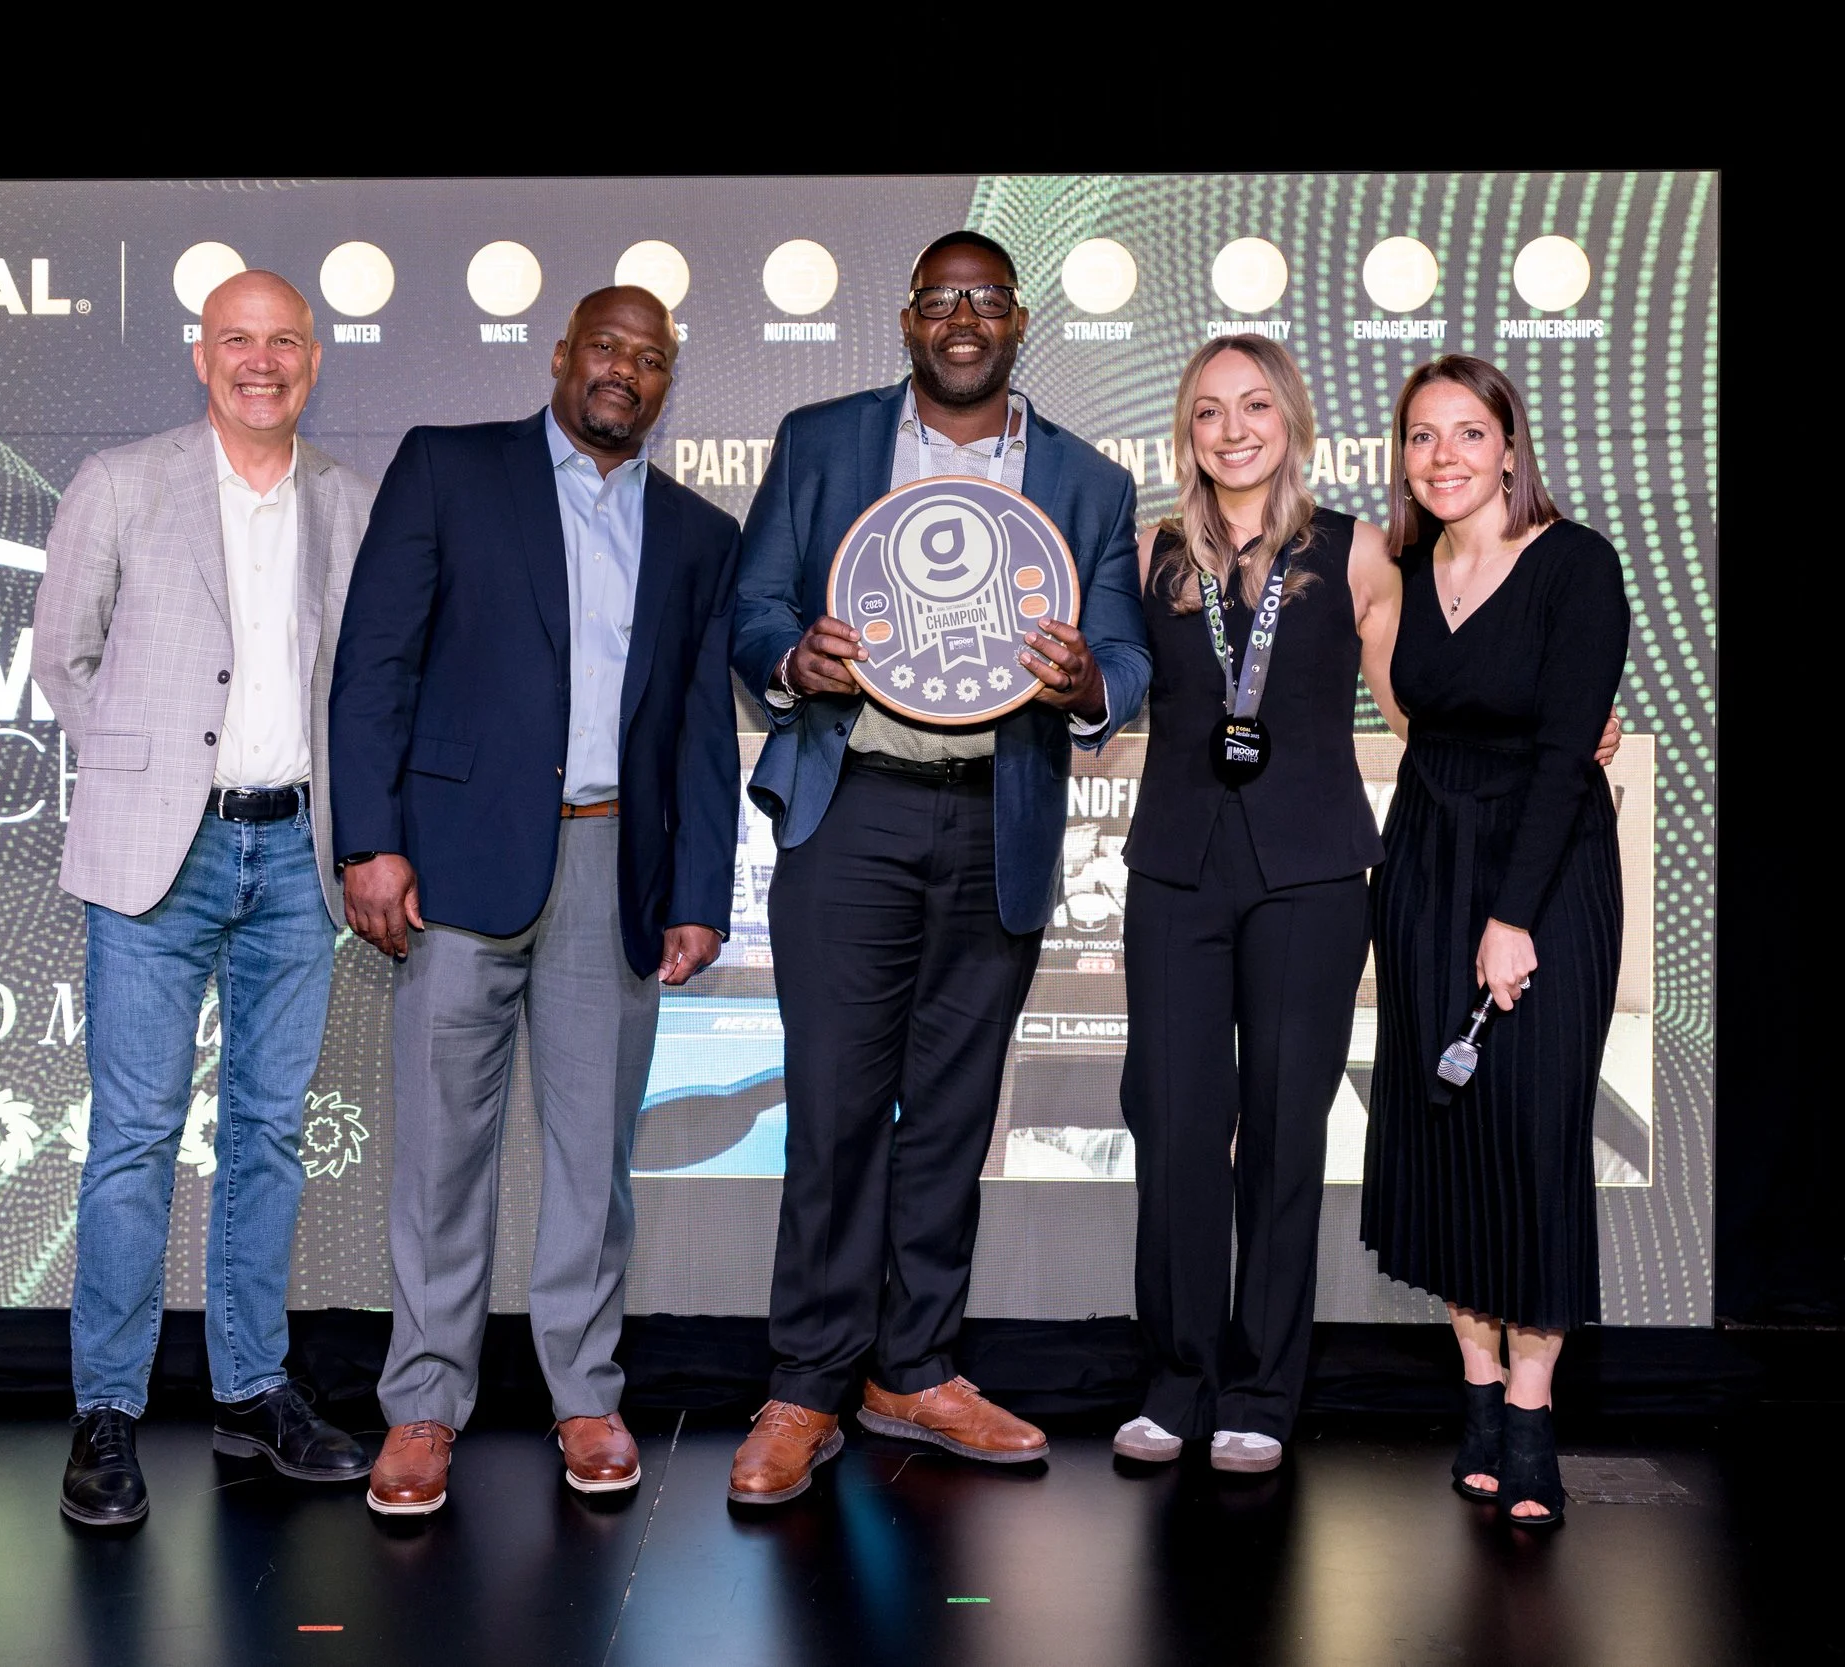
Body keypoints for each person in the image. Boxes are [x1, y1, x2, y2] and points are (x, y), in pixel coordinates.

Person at [724, 230, 1151, 1507]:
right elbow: (748, 612)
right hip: (850, 809)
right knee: (838, 1111)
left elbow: (1125, 653)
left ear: (1018, 323)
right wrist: (794, 657)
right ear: (908, 320)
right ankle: (806, 1384)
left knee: (954, 1114)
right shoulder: (819, 441)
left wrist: (1089, 685)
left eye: (985, 301)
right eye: (940, 300)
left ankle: (913, 1367)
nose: (962, 318)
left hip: (997, 818)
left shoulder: (1085, 482)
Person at [330, 286, 740, 1515]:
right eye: (605, 348)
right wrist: (372, 841)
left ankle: (585, 1392)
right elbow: (374, 665)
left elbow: (699, 740)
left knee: (590, 1164)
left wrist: (697, 891)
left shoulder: (696, 535)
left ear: (667, 383)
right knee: (441, 1157)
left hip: (614, 871)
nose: (625, 371)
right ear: (560, 356)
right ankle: (421, 1405)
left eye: (649, 359)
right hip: (453, 871)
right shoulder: (450, 470)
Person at [35, 270, 378, 1528]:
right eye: (238, 340)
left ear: (313, 359)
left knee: (268, 1135)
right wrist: (141, 769)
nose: (261, 361)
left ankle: (251, 1392)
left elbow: (361, 672)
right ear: (200, 356)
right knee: (131, 1138)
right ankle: (106, 1412)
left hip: (297, 856)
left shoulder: (346, 497)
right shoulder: (121, 483)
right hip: (156, 856)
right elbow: (64, 657)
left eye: (283, 341)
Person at [1111, 335, 1401, 1475]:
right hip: (1177, 871)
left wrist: (1554, 743)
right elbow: (1098, 690)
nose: (1232, 429)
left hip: (1312, 873)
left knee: (1286, 1132)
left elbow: (1416, 703)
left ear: (1291, 417)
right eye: (1207, 411)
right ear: (1186, 430)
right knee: (1177, 1131)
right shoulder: (1151, 553)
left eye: (1254, 406)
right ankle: (1175, 1379)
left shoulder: (1357, 551)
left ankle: (1262, 1388)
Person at [1359, 353, 1631, 1528]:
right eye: (1422, 436)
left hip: (1546, 871)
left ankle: (1531, 1410)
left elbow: (1569, 745)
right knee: (1442, 1134)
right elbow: (1416, 723)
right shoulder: (1409, 572)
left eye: (1468, 434)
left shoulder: (1577, 564)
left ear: (1511, 446)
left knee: (1530, 1138)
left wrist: (1511, 916)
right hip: (1424, 863)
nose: (1444, 457)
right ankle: (1477, 1391)